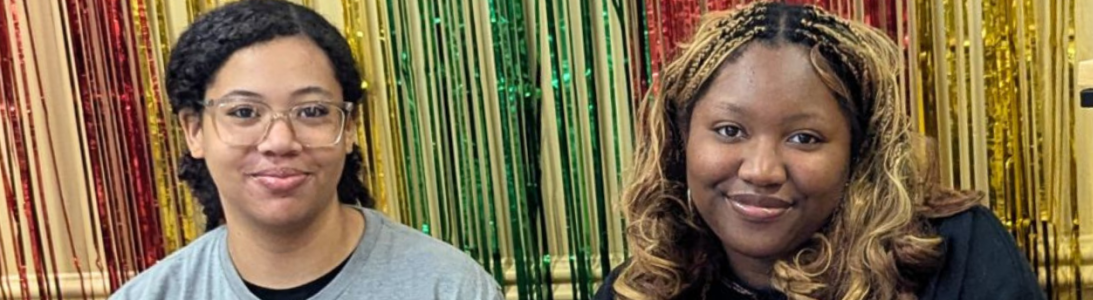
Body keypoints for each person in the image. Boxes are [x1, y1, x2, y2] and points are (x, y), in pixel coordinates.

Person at [593, 2, 1043, 300]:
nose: (762, 170)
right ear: (681, 141)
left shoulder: (953, 252)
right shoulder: (645, 286)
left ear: (859, 151)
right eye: (730, 130)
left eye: (804, 138)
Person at [110, 1, 502, 299]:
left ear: (349, 128)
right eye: (245, 112)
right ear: (194, 130)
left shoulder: (447, 286)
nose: (280, 142)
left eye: (312, 111)